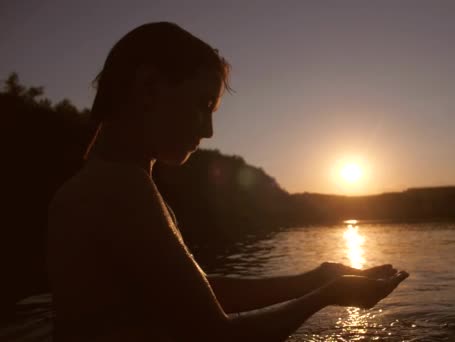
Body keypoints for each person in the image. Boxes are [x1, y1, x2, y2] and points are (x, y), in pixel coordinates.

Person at [46, 21, 408, 341]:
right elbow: (214, 335)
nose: (209, 130)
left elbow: (197, 294)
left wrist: (316, 279)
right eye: (203, 105)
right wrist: (326, 296)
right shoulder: (119, 189)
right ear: (150, 88)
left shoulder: (107, 182)